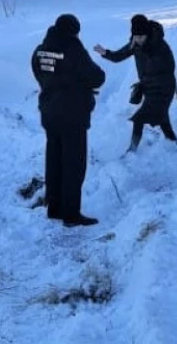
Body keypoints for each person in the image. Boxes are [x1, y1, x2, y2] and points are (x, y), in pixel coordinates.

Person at [31, 14, 106, 227]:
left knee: (54, 161)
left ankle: (54, 208)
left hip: (49, 112)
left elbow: (38, 72)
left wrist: (53, 85)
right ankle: (71, 213)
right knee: (74, 164)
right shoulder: (73, 49)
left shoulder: (41, 49)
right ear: (73, 32)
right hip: (72, 114)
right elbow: (96, 77)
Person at [94, 14, 177, 153]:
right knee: (162, 117)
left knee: (140, 118)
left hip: (164, 87)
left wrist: (147, 79)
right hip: (149, 87)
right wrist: (105, 53)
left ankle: (132, 150)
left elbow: (168, 68)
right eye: (136, 36)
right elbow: (118, 56)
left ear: (147, 34)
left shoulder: (159, 46)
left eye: (141, 37)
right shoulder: (135, 44)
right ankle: (172, 141)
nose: (138, 39)